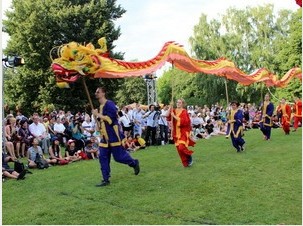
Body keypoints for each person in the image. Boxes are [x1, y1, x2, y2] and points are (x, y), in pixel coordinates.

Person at [92, 87, 140, 187]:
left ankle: (134, 163)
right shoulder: (100, 107)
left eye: (98, 92)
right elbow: (101, 122)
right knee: (102, 157)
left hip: (114, 135)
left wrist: (98, 115)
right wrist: (96, 118)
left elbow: (110, 119)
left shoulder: (109, 104)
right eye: (96, 92)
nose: (96, 93)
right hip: (105, 137)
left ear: (103, 93)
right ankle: (105, 179)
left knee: (119, 157)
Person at [167, 98, 195, 167]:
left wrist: (174, 116)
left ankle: (189, 155)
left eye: (179, 102)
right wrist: (170, 107)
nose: (178, 104)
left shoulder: (184, 111)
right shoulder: (174, 110)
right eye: (177, 102)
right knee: (179, 150)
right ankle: (185, 163)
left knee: (181, 147)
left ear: (182, 104)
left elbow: (184, 122)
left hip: (183, 132)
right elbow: (167, 116)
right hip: (175, 133)